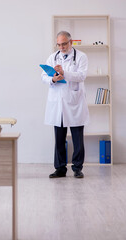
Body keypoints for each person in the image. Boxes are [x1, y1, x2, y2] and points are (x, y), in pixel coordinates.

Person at [41, 31, 89, 179]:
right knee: (59, 139)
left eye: (64, 44)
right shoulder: (53, 57)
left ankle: (77, 168)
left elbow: (82, 75)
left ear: (71, 42)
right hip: (58, 103)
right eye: (59, 44)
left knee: (77, 139)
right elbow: (43, 76)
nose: (61, 47)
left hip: (74, 102)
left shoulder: (81, 57)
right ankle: (60, 169)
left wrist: (65, 73)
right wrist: (53, 79)